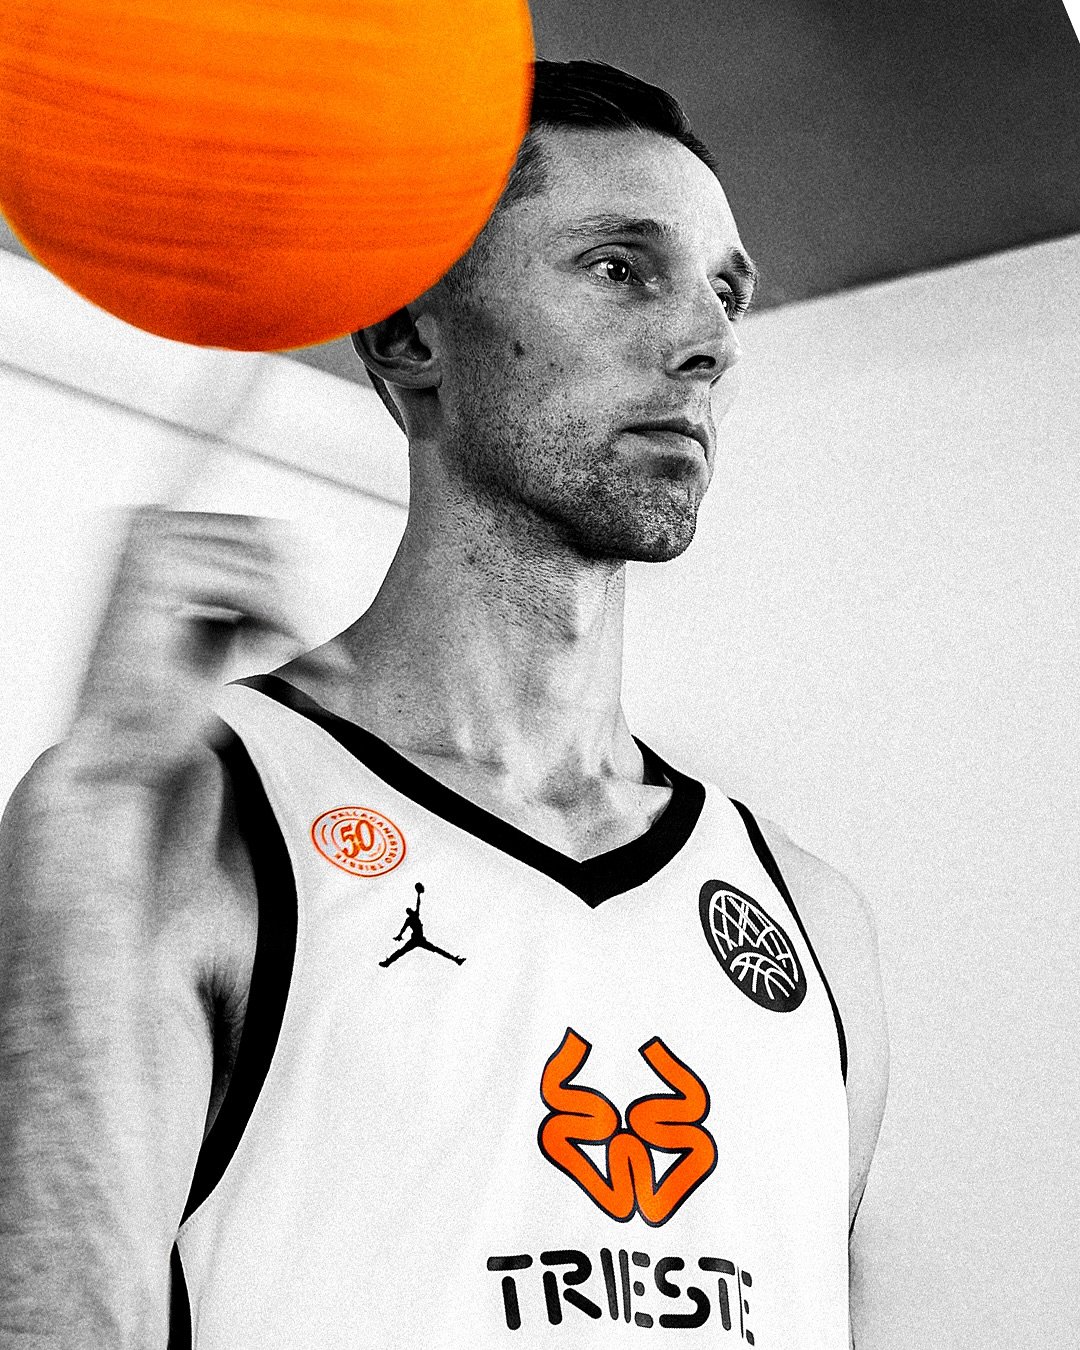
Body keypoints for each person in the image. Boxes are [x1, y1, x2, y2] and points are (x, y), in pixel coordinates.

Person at [0, 59, 889, 1349]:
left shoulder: (812, 919)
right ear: (410, 333)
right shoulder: (182, 818)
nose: (707, 343)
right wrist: (82, 826)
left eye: (725, 291)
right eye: (619, 268)